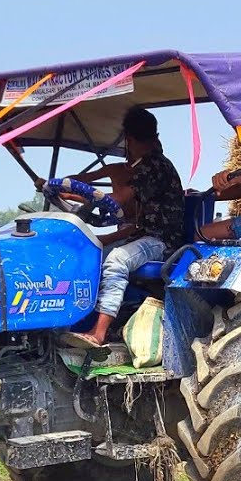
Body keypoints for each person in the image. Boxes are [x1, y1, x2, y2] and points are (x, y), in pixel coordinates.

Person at [59, 106, 184, 349]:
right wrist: (65, 192)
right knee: (90, 257)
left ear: (130, 139)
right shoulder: (145, 166)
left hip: (161, 240)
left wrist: (78, 197)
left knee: (116, 259)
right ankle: (73, 323)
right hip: (143, 235)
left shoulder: (154, 166)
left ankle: (99, 333)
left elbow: (116, 201)